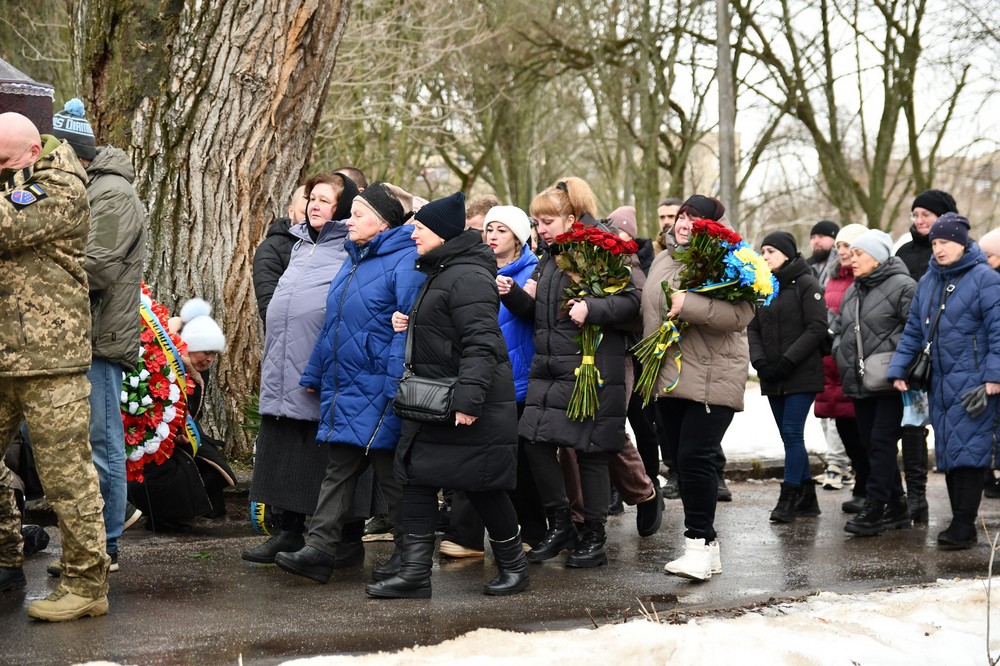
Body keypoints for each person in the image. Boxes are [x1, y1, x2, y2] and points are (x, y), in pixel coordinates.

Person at [365, 191, 529, 599]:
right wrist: (410, 324)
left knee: (483, 486)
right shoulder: (443, 269)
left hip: (467, 402)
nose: (413, 234)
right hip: (433, 399)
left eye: (419, 228)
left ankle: (515, 567)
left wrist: (468, 402)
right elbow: (447, 330)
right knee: (417, 479)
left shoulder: (468, 275)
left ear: (440, 232)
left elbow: (482, 342)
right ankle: (416, 573)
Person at [275, 181, 424, 585]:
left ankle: (411, 557)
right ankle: (320, 550)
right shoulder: (354, 258)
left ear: (381, 222)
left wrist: (395, 387)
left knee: (390, 476)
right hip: (347, 385)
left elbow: (406, 329)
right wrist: (315, 373)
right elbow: (334, 324)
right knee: (338, 469)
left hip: (379, 388)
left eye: (357, 214)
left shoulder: (405, 261)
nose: (349, 221)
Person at [0, 111, 110, 620]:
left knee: (67, 476)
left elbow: (5, 223)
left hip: (49, 359)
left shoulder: (59, 187)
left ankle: (87, 584)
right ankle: (5, 554)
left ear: (30, 153)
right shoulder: (14, 178)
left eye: (2, 160)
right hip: (4, 354)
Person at [504, 178, 642, 569]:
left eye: (545, 220)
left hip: (591, 366)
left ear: (570, 216)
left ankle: (593, 535)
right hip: (549, 367)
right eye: (536, 221)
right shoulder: (551, 255)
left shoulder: (603, 247)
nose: (539, 228)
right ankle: (560, 522)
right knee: (534, 440)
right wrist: (512, 295)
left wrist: (594, 309)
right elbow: (542, 315)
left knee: (590, 451)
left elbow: (633, 303)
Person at [50, 99, 146, 573]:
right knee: (77, 446)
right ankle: (83, 545)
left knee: (103, 443)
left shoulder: (112, 194)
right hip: (74, 333)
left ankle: (106, 543)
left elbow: (99, 267)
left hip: (100, 337)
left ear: (75, 152)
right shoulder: (87, 186)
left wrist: (43, 279)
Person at [242, 172, 358, 565]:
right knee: (284, 449)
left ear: (342, 208)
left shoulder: (348, 249)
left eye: (325, 200)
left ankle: (339, 540)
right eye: (312, 197)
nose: (314, 205)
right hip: (282, 363)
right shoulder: (298, 246)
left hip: (320, 367)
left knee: (321, 455)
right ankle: (287, 532)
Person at [641, 195, 754, 581]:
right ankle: (708, 549)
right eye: (683, 216)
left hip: (711, 375)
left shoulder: (728, 261)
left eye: (696, 218)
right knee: (682, 462)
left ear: (713, 226)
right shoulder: (664, 259)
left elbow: (740, 315)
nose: (685, 223)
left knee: (695, 459)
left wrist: (688, 304)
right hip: (669, 376)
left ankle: (696, 543)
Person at [439, 205, 546, 558]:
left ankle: (532, 530)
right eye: (489, 230)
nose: (493, 236)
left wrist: (517, 293)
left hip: (520, 380)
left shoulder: (534, 271)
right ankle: (467, 537)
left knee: (520, 463)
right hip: (481, 377)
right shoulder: (476, 270)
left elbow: (534, 316)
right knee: (473, 457)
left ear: (517, 236)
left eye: (501, 230)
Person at [889, 214, 1000, 549]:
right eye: (935, 243)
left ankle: (963, 525)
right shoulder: (928, 280)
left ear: (963, 243)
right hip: (939, 381)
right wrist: (899, 368)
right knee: (950, 451)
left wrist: (994, 375)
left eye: (945, 243)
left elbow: (998, 330)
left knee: (970, 450)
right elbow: (913, 330)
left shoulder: (985, 279)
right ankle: (959, 520)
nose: (938, 249)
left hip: (974, 383)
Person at [833, 229, 915, 536]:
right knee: (870, 444)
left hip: (892, 381)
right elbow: (841, 328)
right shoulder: (855, 289)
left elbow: (915, 329)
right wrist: (839, 352)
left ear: (878, 258)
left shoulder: (903, 286)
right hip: (860, 380)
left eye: (858, 254)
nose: (852, 260)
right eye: (851, 254)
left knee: (881, 443)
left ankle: (875, 507)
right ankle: (897, 506)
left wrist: (899, 364)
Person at [748, 231, 827, 522]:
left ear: (786, 253)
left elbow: (817, 327)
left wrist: (787, 360)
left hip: (801, 373)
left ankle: (789, 495)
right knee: (787, 436)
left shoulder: (807, 283)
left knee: (793, 433)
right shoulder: (764, 286)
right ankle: (808, 496)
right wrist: (759, 361)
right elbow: (752, 327)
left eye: (770, 251)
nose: (764, 256)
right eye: (763, 251)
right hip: (772, 374)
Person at [894, 190, 957, 524]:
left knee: (952, 427)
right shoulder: (903, 252)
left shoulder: (959, 253)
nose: (919, 221)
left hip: (952, 356)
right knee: (913, 425)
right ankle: (916, 497)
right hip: (913, 353)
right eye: (915, 214)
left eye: (926, 215)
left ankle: (961, 506)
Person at [813, 224, 869, 511]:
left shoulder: (866, 277)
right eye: (840, 247)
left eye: (851, 246)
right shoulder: (832, 278)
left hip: (860, 366)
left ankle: (868, 487)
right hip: (834, 366)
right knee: (845, 430)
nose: (844, 252)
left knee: (864, 433)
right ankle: (862, 482)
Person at [252, 184, 306, 325]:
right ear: (291, 211)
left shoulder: (330, 245)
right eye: (304, 213)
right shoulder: (270, 249)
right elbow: (269, 309)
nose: (309, 220)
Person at [806, 220, 839, 287]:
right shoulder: (806, 267)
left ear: (835, 240)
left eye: (821, 236)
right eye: (813, 237)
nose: (816, 241)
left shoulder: (841, 266)